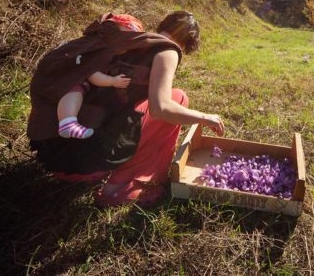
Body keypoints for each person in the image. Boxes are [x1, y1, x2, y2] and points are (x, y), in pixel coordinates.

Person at [27, 11, 224, 208]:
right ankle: (118, 189)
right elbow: (161, 108)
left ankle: (111, 167)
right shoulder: (167, 50)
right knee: (177, 98)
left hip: (53, 157)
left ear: (161, 25)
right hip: (88, 165)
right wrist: (204, 117)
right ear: (187, 43)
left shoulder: (123, 42)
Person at [56, 14, 142, 139]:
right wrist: (112, 81)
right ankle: (67, 123)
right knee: (74, 91)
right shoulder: (99, 49)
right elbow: (92, 74)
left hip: (74, 77)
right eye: (123, 38)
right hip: (69, 78)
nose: (125, 43)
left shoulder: (106, 50)